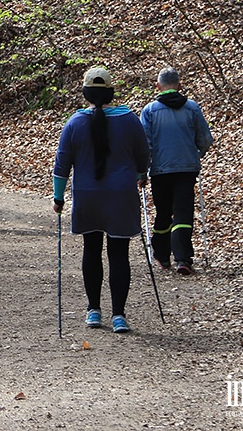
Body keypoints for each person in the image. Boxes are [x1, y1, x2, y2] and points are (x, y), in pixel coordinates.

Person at [52, 67, 150, 333]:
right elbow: (143, 155)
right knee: (119, 254)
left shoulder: (75, 122)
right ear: (110, 92)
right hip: (120, 196)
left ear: (85, 93)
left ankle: (93, 310)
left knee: (91, 250)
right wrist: (141, 175)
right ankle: (119, 315)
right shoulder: (130, 120)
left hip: (87, 197)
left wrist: (58, 197)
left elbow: (62, 164)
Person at [140, 67, 213, 275]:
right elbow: (206, 139)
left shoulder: (150, 111)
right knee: (182, 212)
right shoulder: (192, 108)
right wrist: (196, 154)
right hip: (186, 169)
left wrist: (142, 172)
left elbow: (145, 145)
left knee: (163, 212)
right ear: (179, 86)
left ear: (158, 86)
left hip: (160, 171)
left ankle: (162, 255)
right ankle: (183, 259)